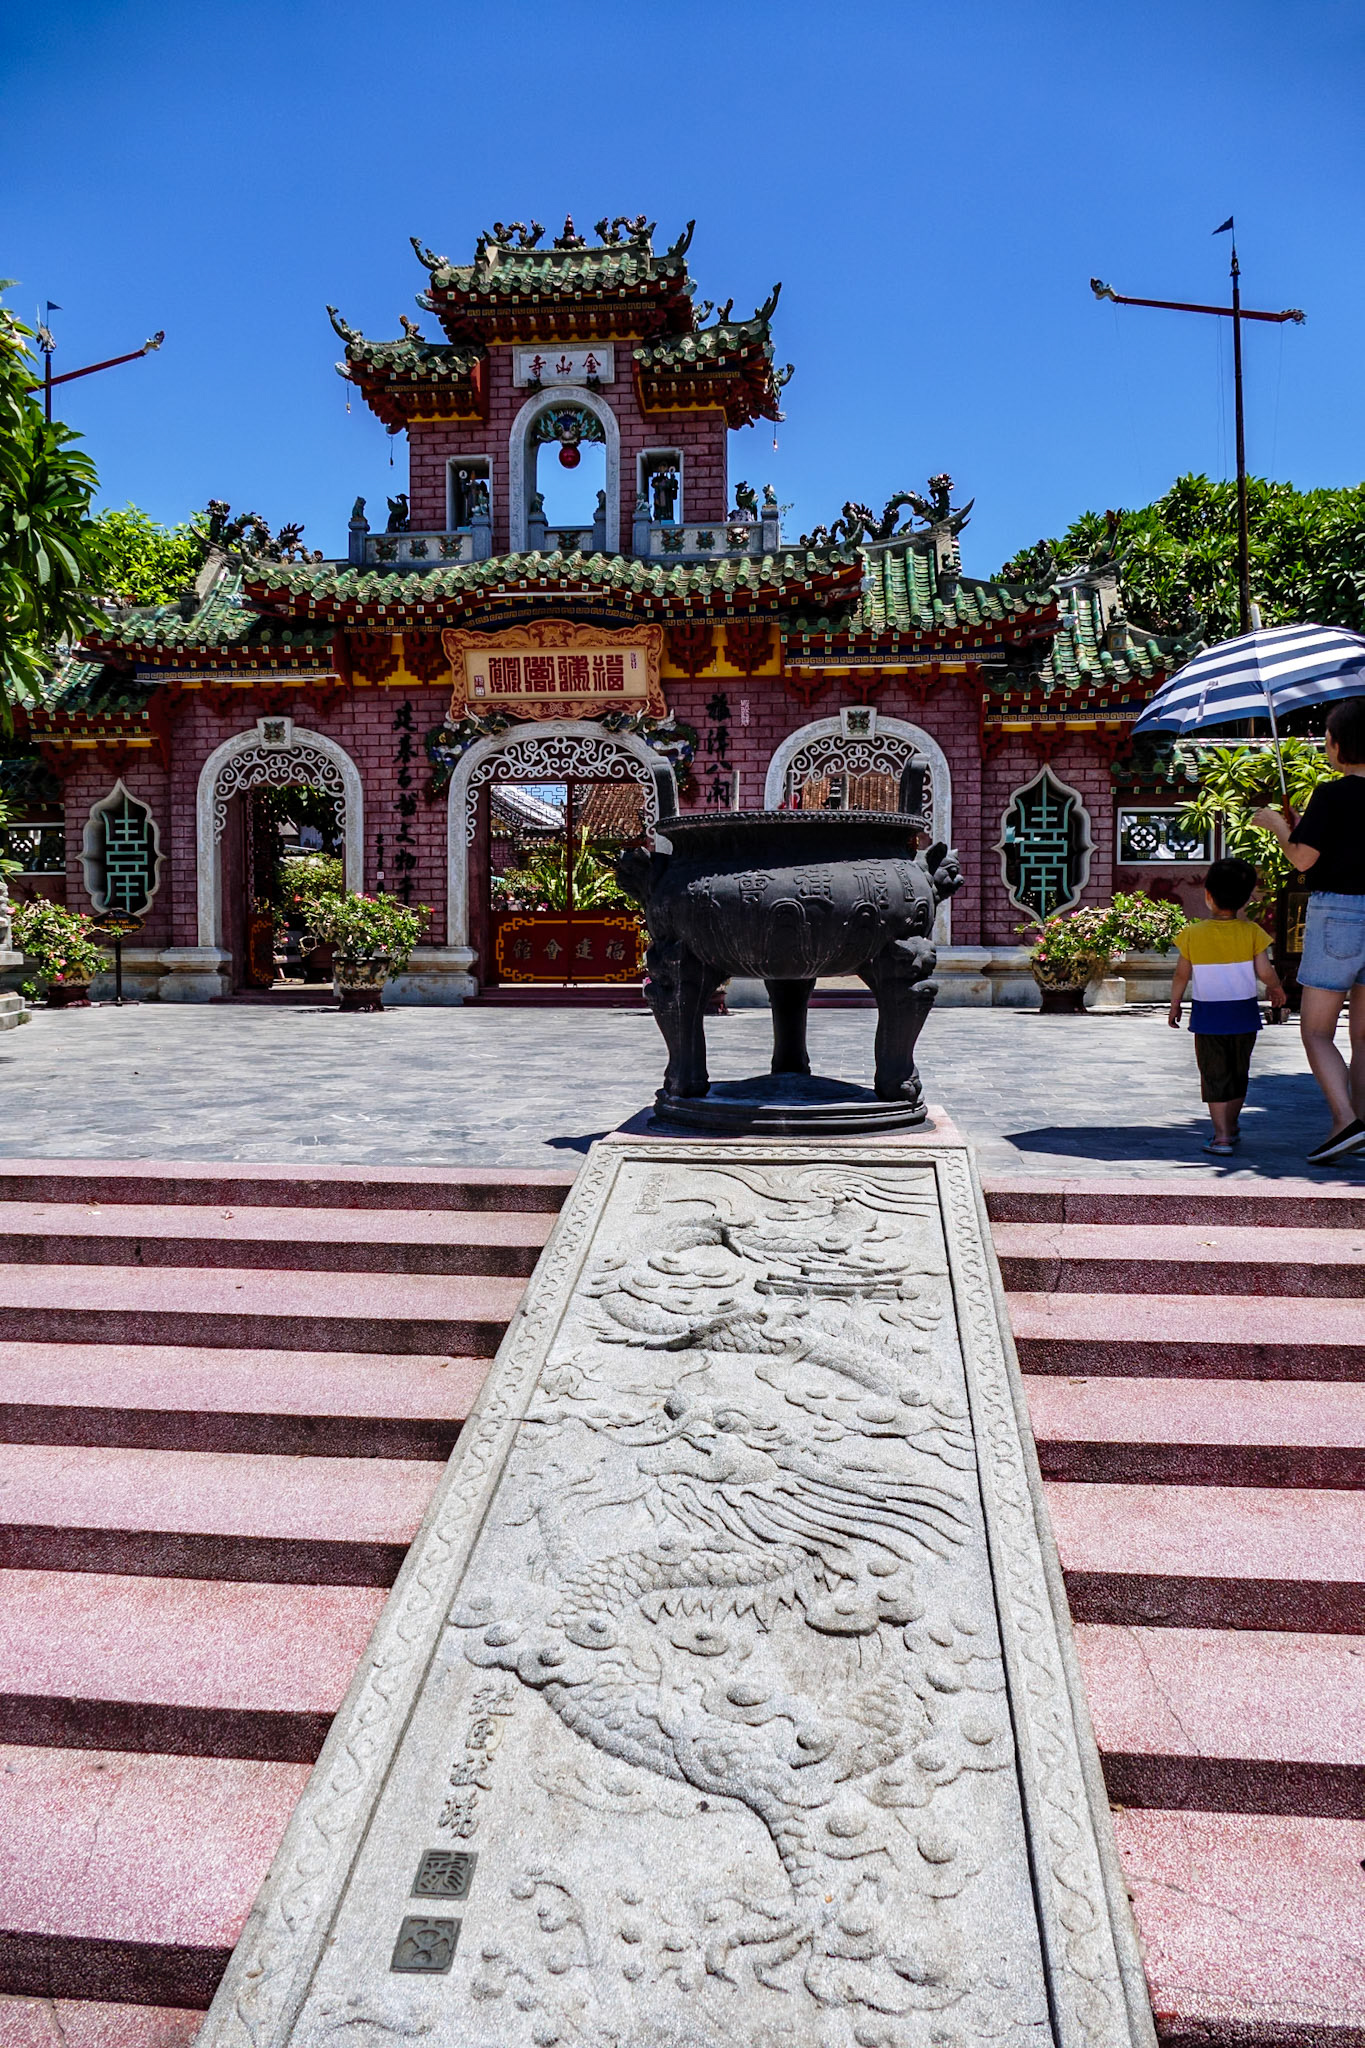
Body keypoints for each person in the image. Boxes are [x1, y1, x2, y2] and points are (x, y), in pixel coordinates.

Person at [1253, 695, 1365, 1163]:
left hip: (1339, 914)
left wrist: (1279, 826)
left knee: (1316, 1030)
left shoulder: (1333, 793)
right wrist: (1303, 829)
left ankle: (1344, 1119)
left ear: (1340, 745)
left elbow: (1302, 858)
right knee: (1363, 1038)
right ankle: (1360, 1125)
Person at [1168, 856, 1286, 1156]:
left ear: (1208, 895)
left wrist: (1175, 1004)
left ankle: (1221, 1136)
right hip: (1244, 1017)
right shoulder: (1252, 933)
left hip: (1208, 1019)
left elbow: (1182, 974)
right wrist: (1276, 988)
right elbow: (1265, 971)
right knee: (1238, 1073)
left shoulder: (1192, 934)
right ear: (1246, 899)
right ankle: (1230, 1128)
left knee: (1214, 1076)